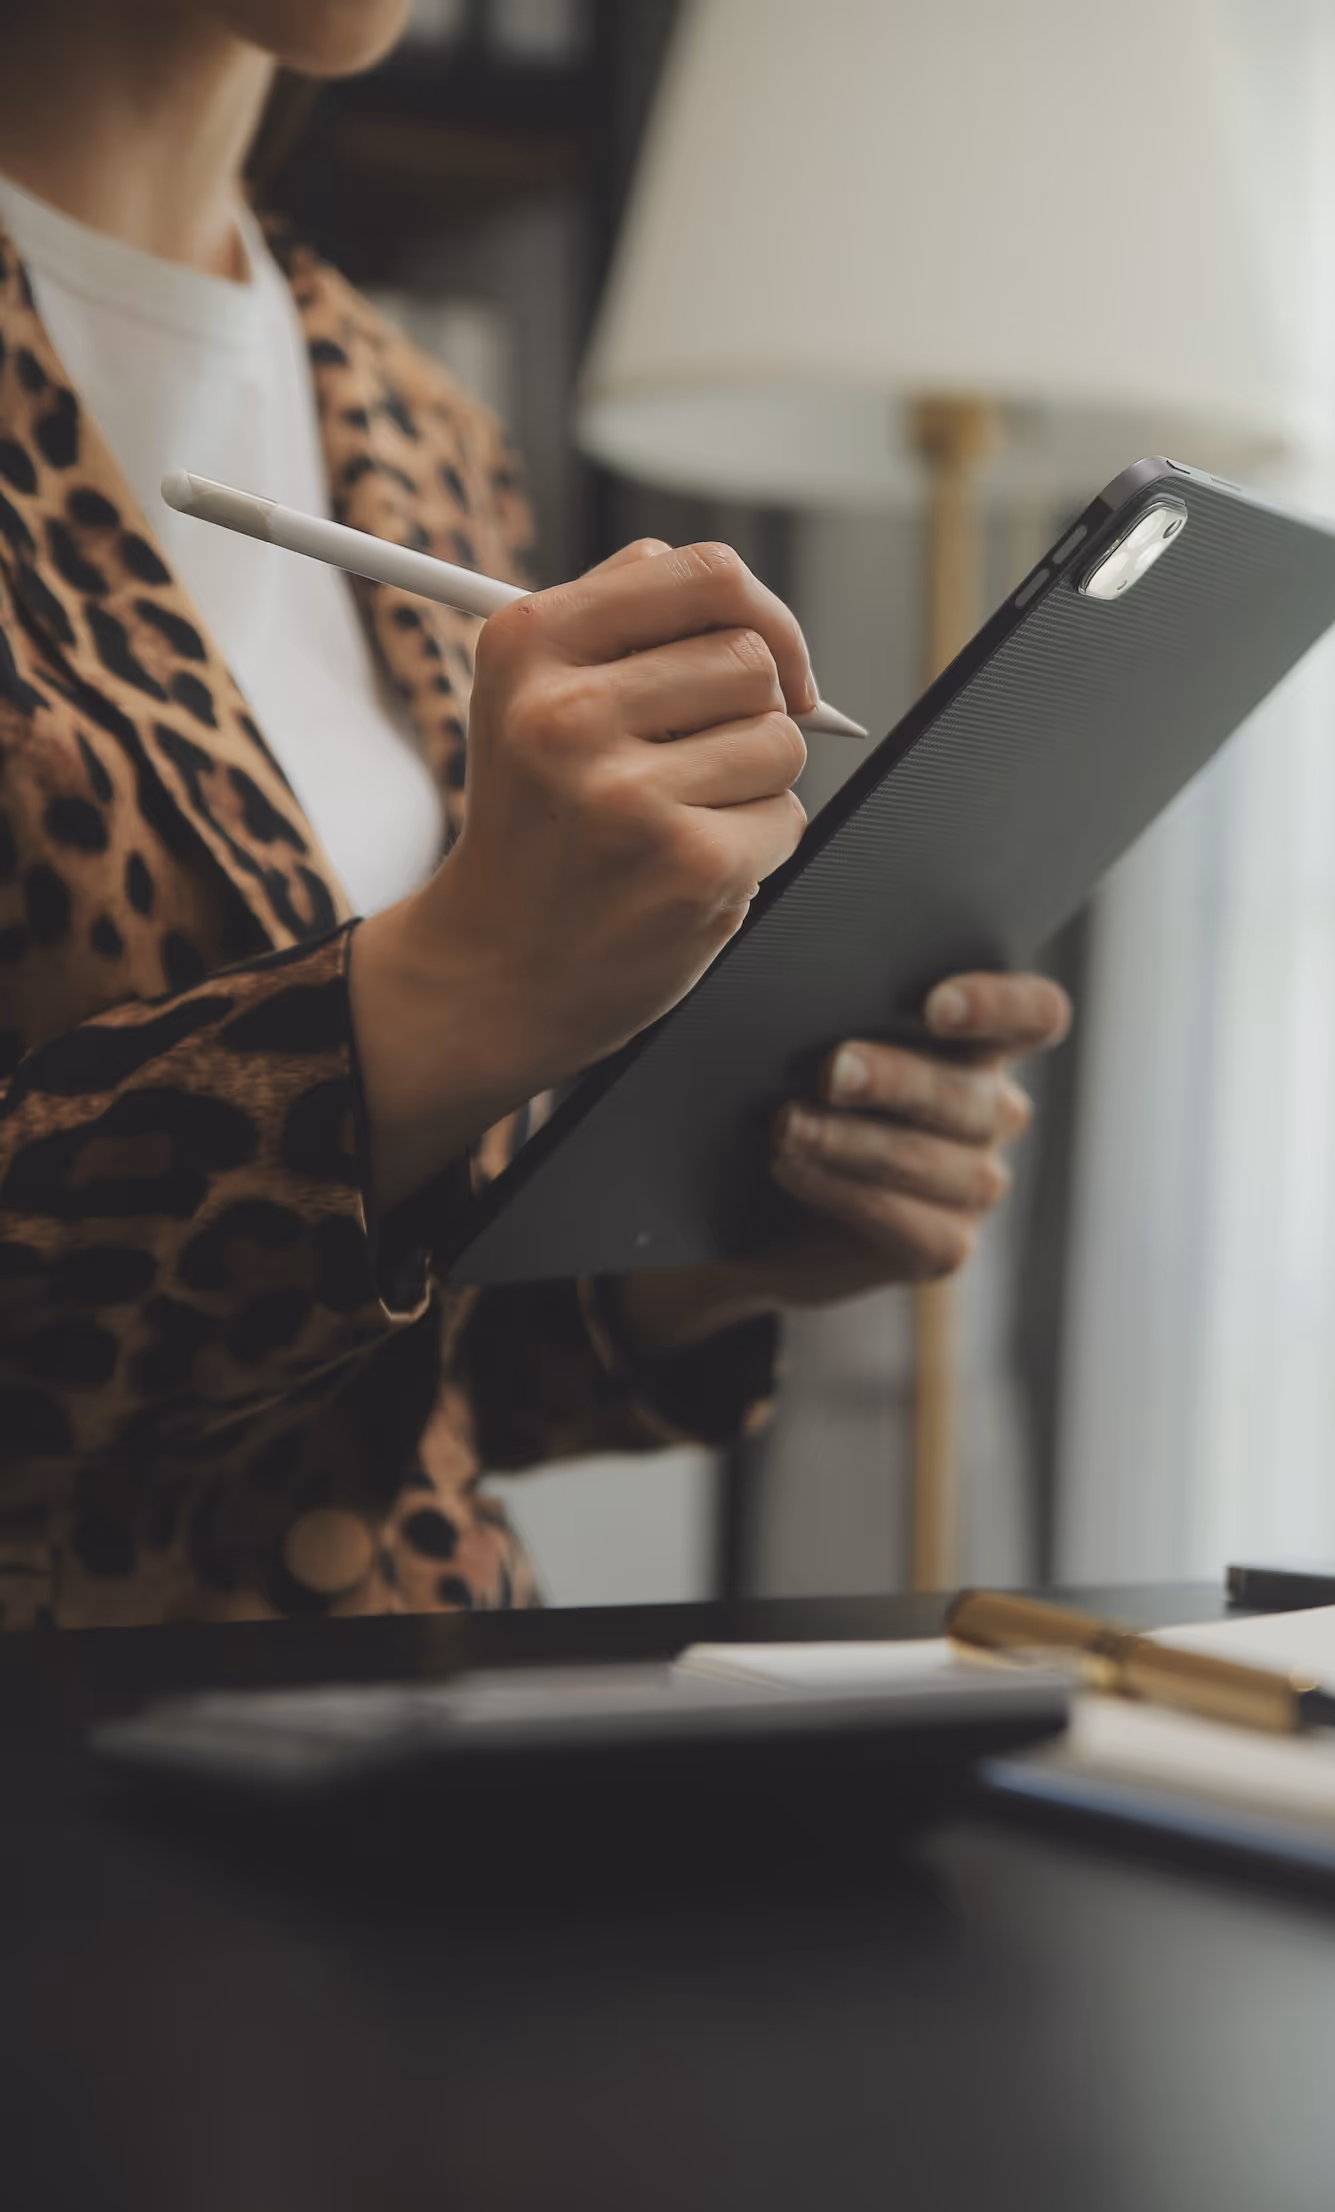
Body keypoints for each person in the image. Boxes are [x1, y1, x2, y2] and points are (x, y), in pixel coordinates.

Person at [0, 0, 1071, 1629]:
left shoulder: (419, 429)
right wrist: (458, 990)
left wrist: (711, 1256)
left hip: (402, 1774)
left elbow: (365, 1396)